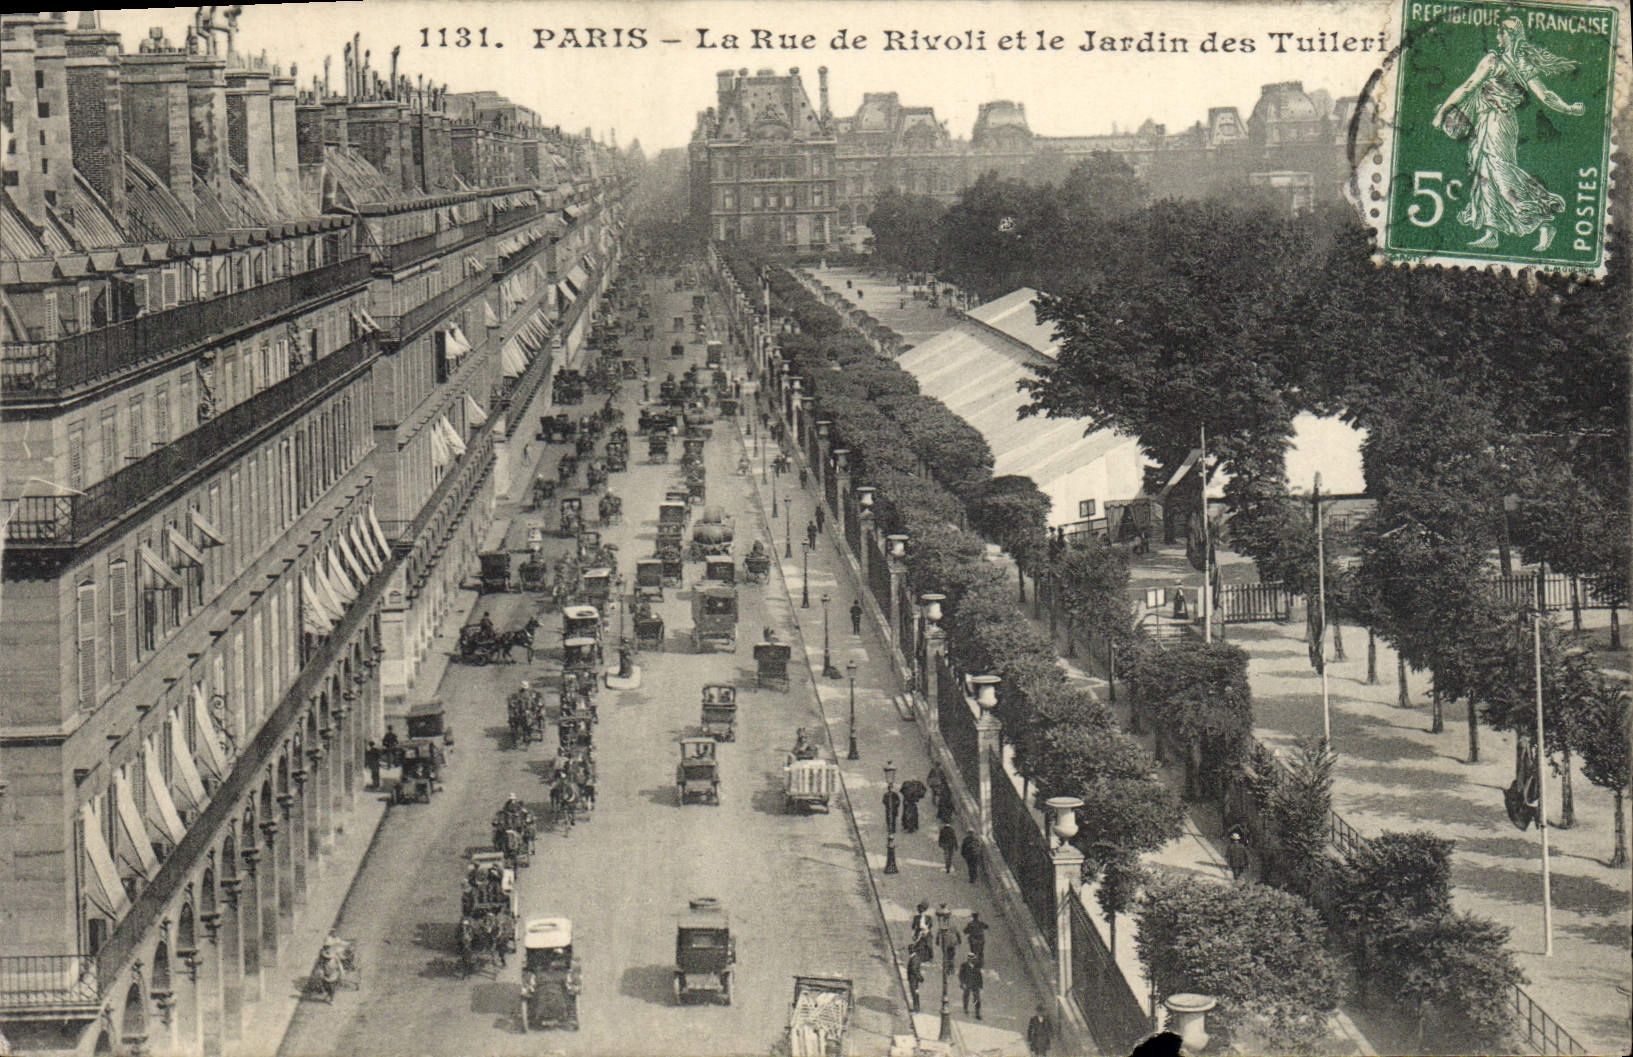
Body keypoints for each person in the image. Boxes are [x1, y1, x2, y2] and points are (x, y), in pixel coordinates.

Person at [1433, 16, 1585, 252]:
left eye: (1501, 32)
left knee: (1502, 177)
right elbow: (1545, 96)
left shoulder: (1499, 62)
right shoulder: (1515, 64)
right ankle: (1491, 232)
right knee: (1484, 175)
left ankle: (1544, 223)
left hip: (1498, 124)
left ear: (1511, 35)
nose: (1497, 37)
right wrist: (1569, 109)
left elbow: (1469, 87)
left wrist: (1443, 112)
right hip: (1487, 122)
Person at [958, 953, 983, 1019]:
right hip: (967, 983)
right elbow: (960, 975)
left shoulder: (977, 965)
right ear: (968, 959)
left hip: (975, 984)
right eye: (971, 959)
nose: (973, 960)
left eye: (973, 959)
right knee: (966, 997)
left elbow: (979, 975)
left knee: (977, 999)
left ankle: (977, 1013)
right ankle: (965, 1008)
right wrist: (962, 983)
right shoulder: (964, 965)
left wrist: (980, 985)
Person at [905, 947, 924, 1012]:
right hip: (914, 979)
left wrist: (920, 978)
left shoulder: (914, 959)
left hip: (913, 980)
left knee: (914, 994)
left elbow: (914, 970)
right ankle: (916, 1008)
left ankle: (916, 1008)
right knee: (915, 993)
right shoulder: (915, 958)